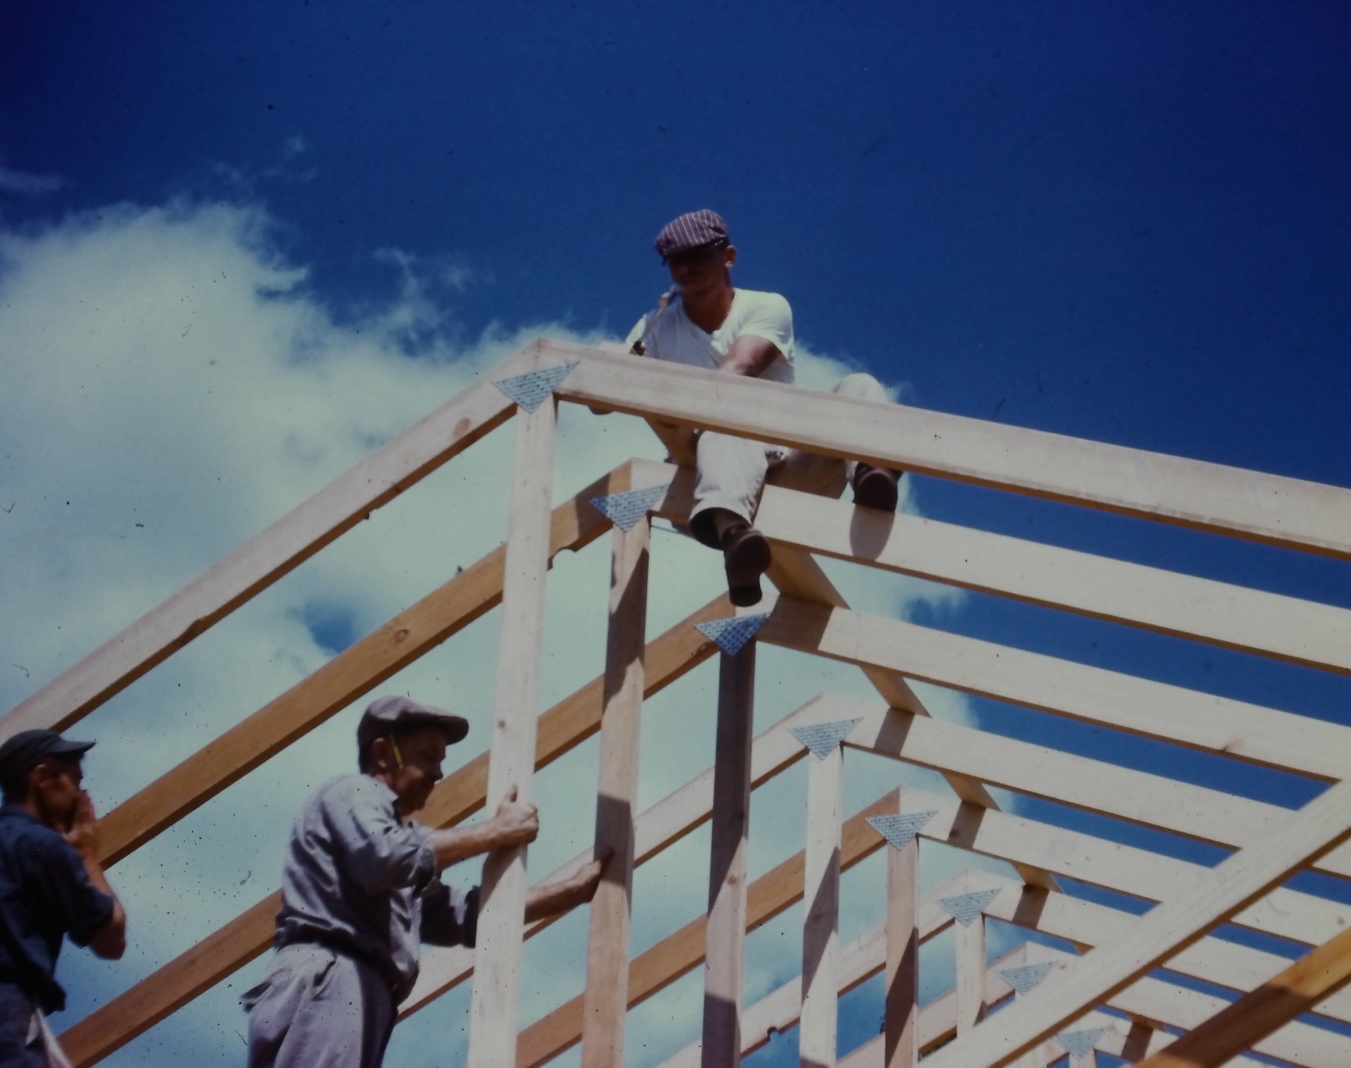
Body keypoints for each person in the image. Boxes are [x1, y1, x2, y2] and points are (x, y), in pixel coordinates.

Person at [242, 695, 605, 1068]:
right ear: (383, 754)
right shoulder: (352, 793)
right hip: (330, 978)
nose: (438, 773)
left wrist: (569, 892)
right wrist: (494, 831)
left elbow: (462, 915)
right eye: (429, 756)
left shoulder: (398, 855)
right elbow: (385, 855)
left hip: (358, 991)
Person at [624, 209, 900, 606]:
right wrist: (629, 363)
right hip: (708, 486)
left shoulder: (766, 307)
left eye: (698, 256)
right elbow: (602, 402)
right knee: (724, 423)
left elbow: (740, 367)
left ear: (728, 257)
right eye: (676, 261)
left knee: (859, 386)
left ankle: (873, 477)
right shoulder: (654, 326)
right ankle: (736, 541)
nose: (687, 269)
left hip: (787, 470)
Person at [0, 729, 127, 1068]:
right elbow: (111, 940)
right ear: (42, 778)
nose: (82, 796)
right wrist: (88, 856)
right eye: (76, 782)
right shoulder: (43, 847)